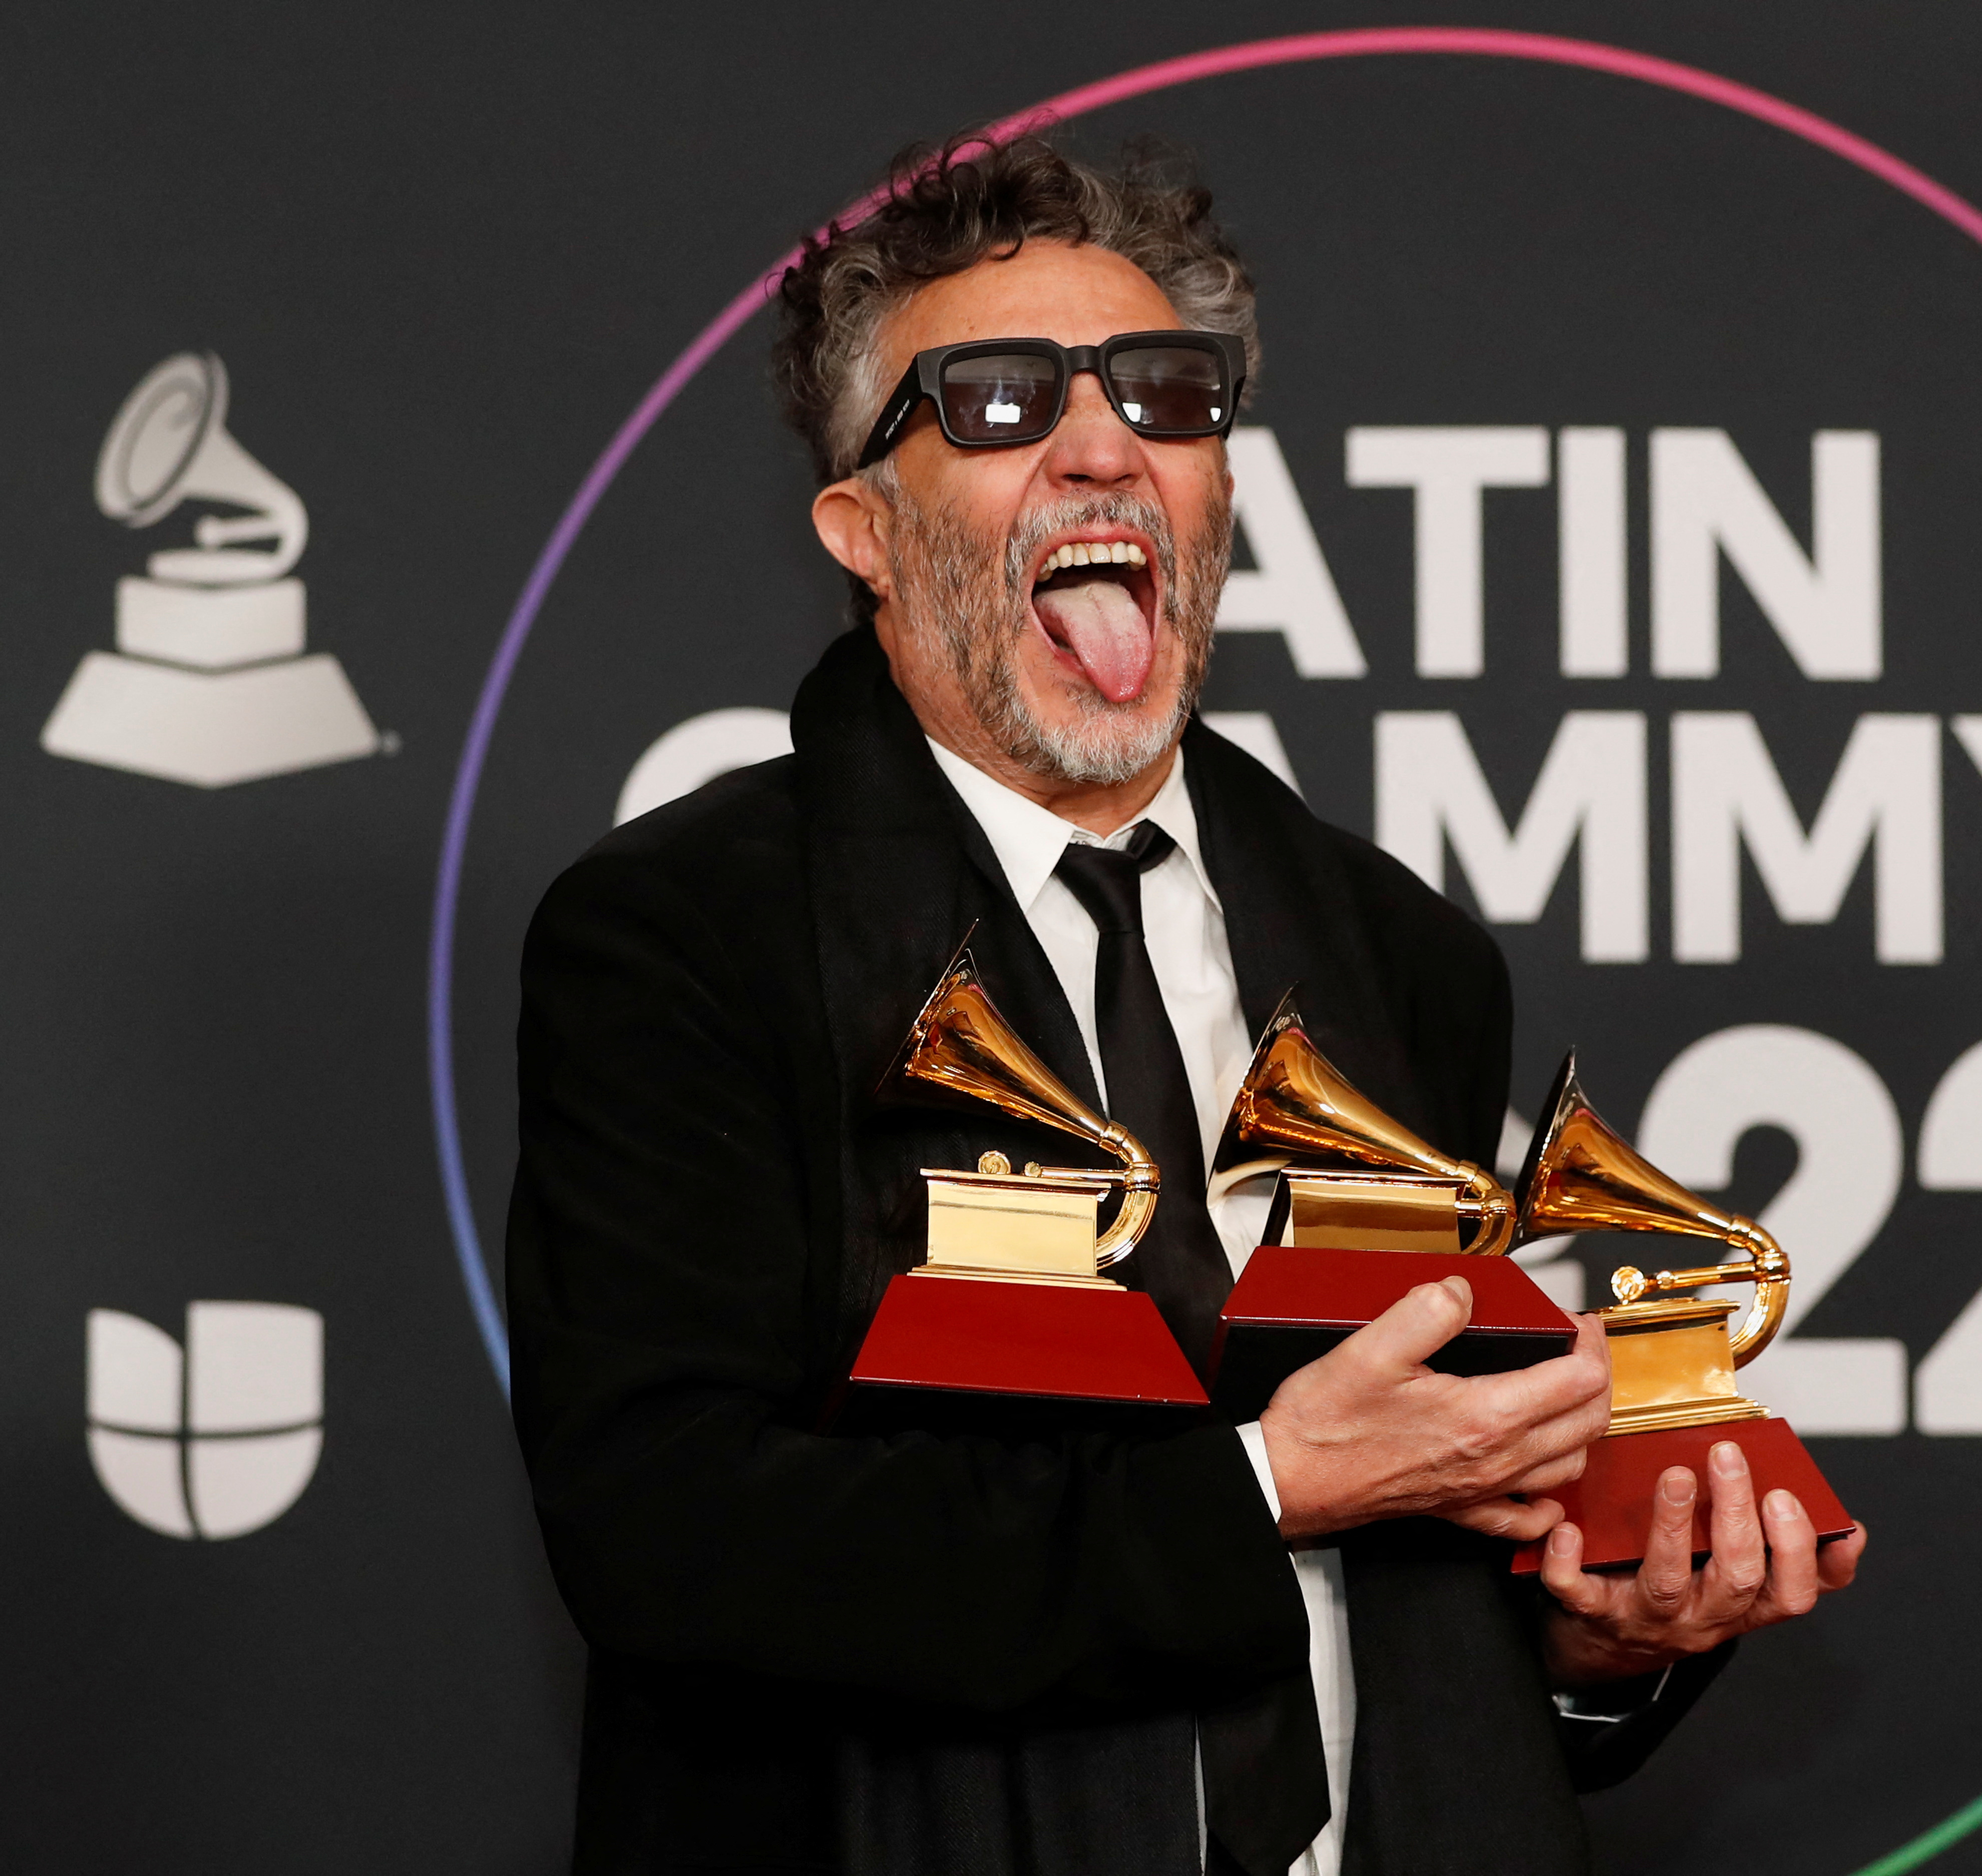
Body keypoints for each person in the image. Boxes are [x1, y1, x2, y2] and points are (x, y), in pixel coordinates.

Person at [507, 131, 1863, 1876]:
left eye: (1165, 396)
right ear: (863, 525)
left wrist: (1601, 1647)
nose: (1101, 448)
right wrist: (1269, 1484)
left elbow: (1410, 1575)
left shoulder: (1402, 954)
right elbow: (667, 1530)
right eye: (992, 403)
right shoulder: (683, 934)